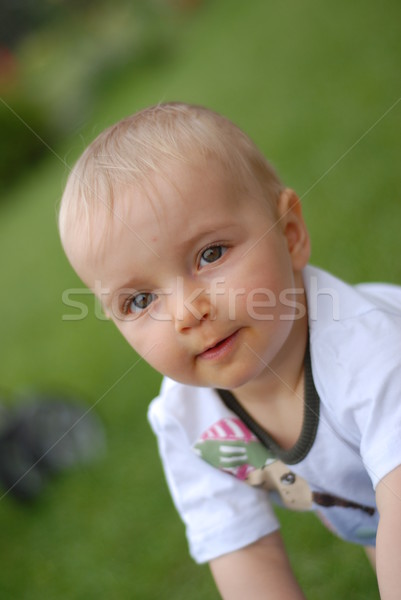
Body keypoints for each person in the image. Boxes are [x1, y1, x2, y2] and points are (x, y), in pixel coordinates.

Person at [58, 102, 401, 599]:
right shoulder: (187, 421)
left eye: (210, 254)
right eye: (139, 299)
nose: (187, 311)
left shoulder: (369, 352)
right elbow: (246, 555)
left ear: (290, 235)